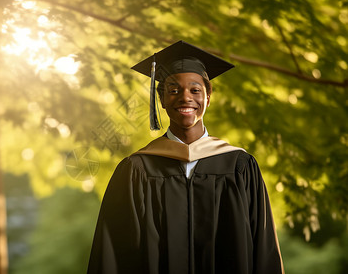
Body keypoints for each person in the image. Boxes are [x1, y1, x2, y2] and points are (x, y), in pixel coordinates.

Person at [87, 40, 284, 274]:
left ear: (208, 96)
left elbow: (263, 248)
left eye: (195, 90)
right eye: (173, 90)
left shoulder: (240, 166)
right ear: (160, 99)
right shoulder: (136, 170)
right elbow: (112, 254)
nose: (185, 97)